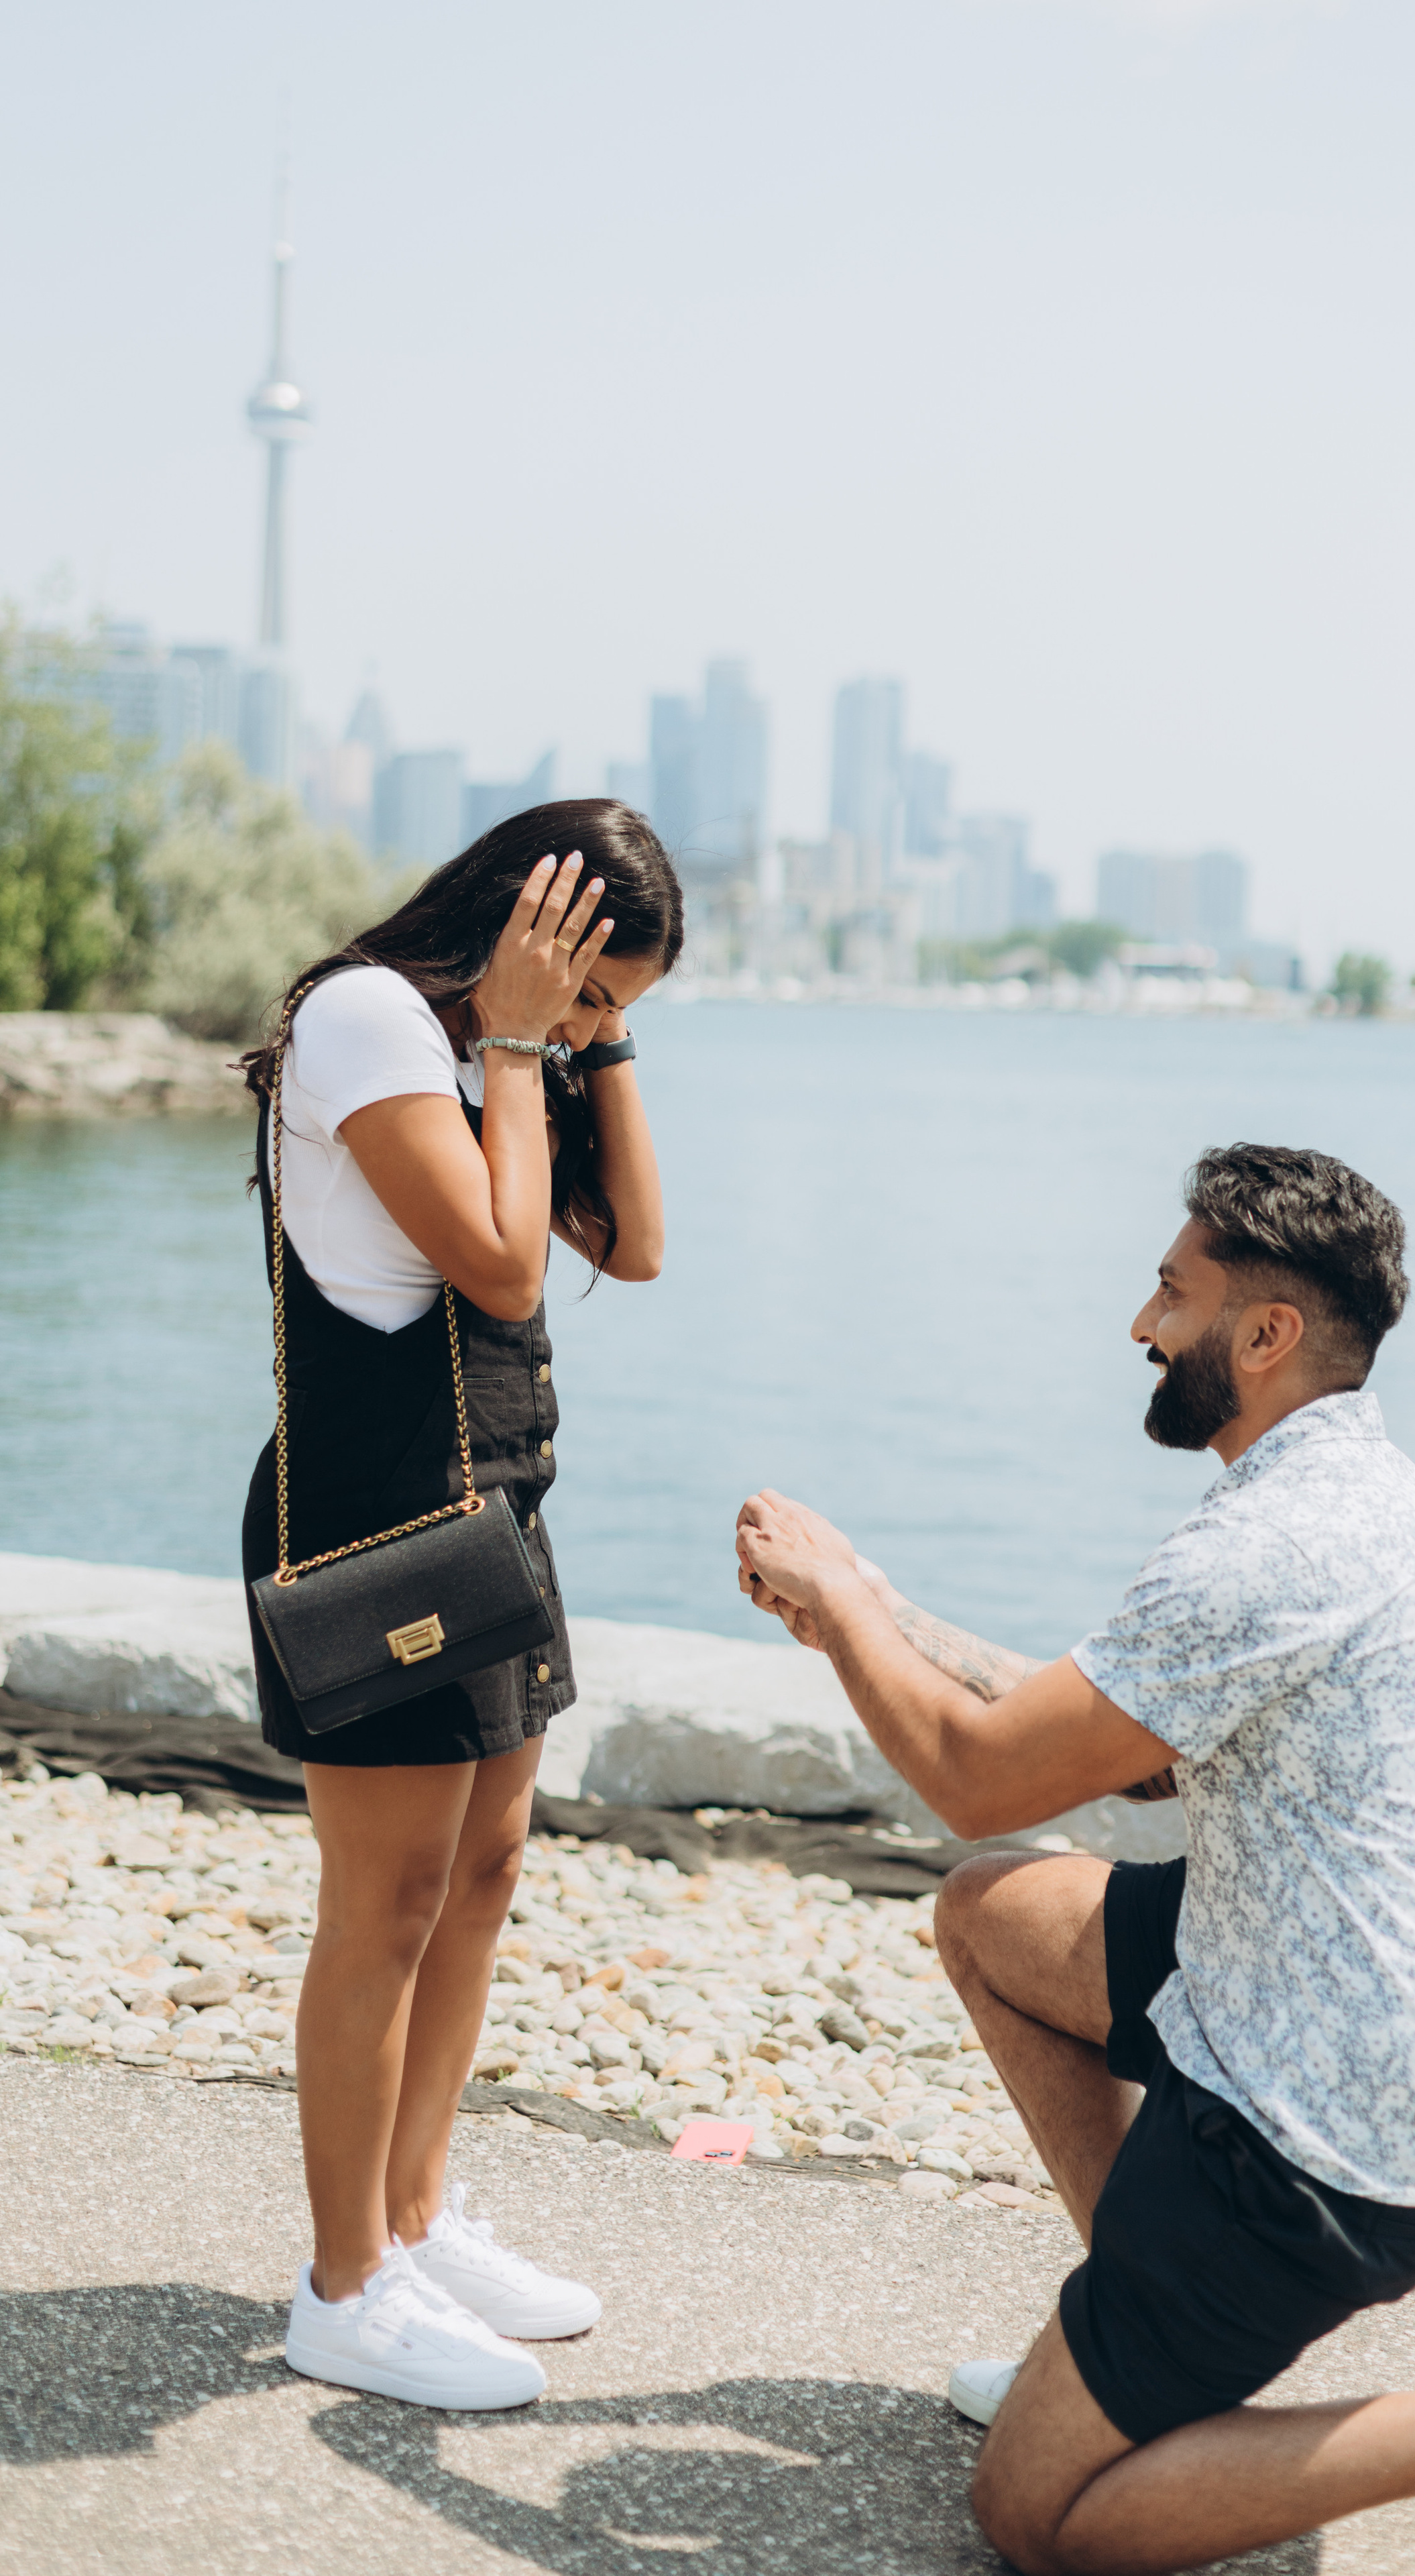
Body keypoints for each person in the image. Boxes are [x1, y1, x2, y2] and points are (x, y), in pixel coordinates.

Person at [734, 1143, 1415, 2576]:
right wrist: (879, 1621)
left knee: (1032, 2521)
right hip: (1385, 2015)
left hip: (1328, 2126)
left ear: (1264, 1334)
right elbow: (1132, 1752)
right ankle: (1131, 2362)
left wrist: (845, 1598)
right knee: (995, 1916)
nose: (1138, 1327)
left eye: (1168, 1294)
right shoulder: (1381, 1501)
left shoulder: (1269, 1543)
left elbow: (977, 1778)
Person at [238, 800, 682, 2413]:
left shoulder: (497, 1048)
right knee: (390, 1902)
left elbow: (625, 1249)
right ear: (518, 928)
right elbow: (502, 1268)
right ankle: (343, 2282)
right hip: (374, 1521)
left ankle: (411, 2223)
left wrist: (596, 1050)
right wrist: (513, 1041)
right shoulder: (368, 1022)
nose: (582, 1027)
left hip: (492, 1504)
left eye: (608, 1003)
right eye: (591, 990)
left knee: (481, 1874)